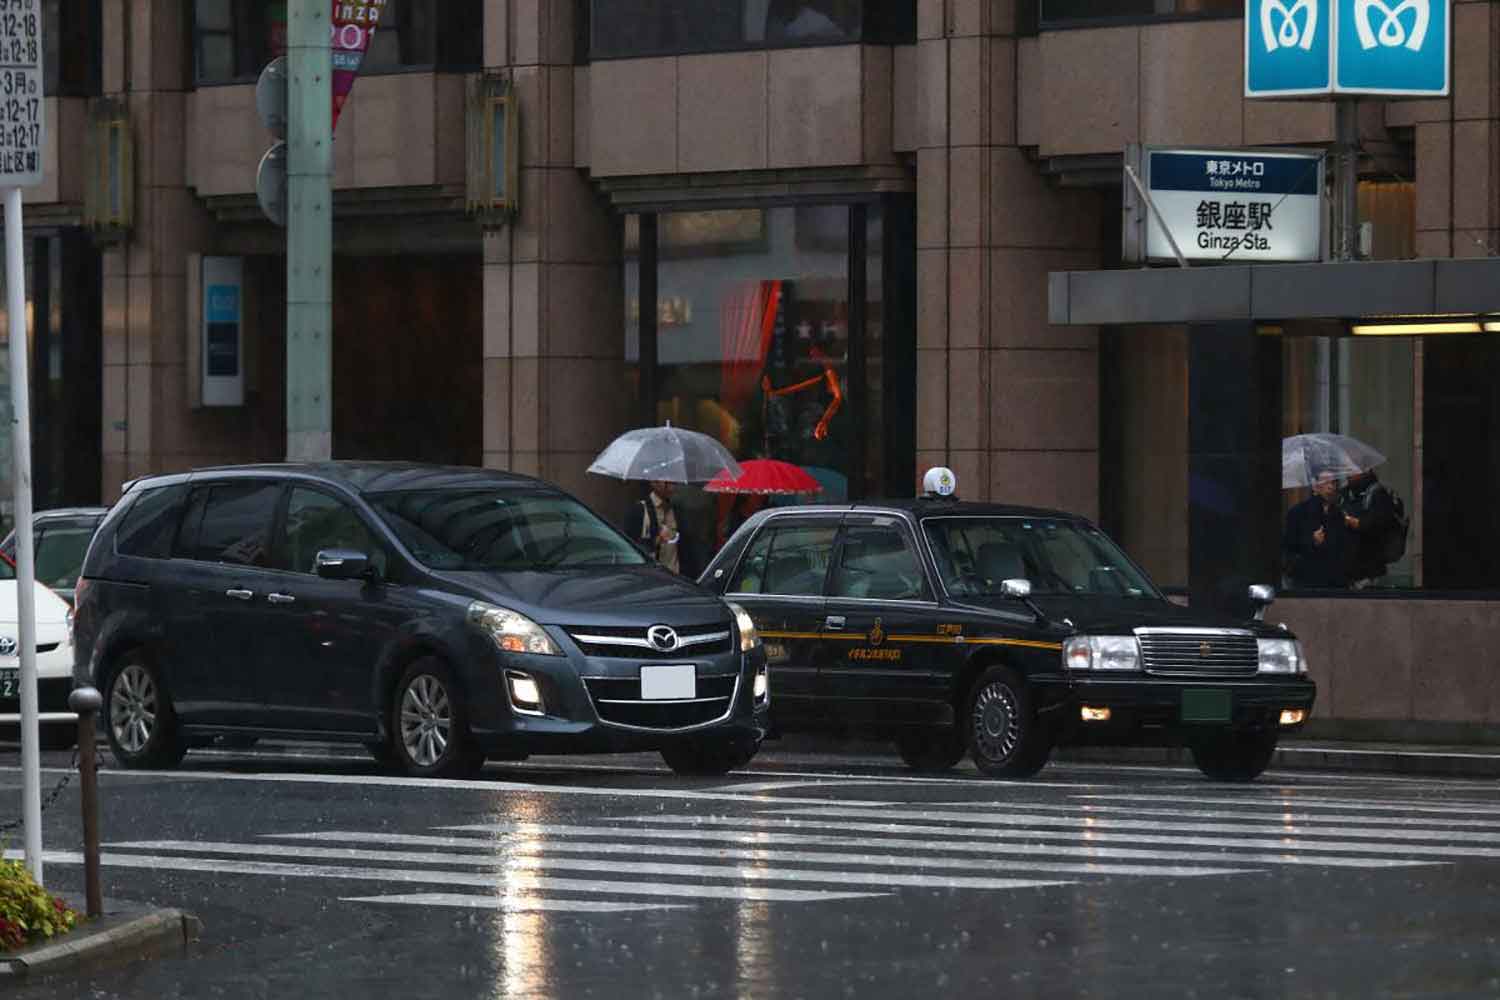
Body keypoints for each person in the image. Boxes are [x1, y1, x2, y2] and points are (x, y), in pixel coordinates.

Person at [1282, 470, 1351, 589]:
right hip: (1307, 578)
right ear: (1315, 486)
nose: (1330, 486)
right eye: (1326, 482)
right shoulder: (1298, 512)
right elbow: (1289, 545)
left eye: (1334, 482)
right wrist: (1312, 540)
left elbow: (1343, 546)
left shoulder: (1338, 513)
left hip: (1335, 580)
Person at [623, 480, 699, 578]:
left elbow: (685, 545)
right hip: (651, 576)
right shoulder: (640, 509)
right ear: (655, 483)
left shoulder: (676, 509)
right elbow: (630, 546)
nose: (673, 488)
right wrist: (658, 539)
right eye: (669, 483)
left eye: (674, 483)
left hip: (675, 576)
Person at [1340, 469, 1398, 589]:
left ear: (1365, 471)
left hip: (1370, 570)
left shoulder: (1377, 493)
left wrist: (1355, 522)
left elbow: (1379, 525)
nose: (1348, 474)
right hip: (1348, 569)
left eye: (1352, 470)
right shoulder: (1344, 493)